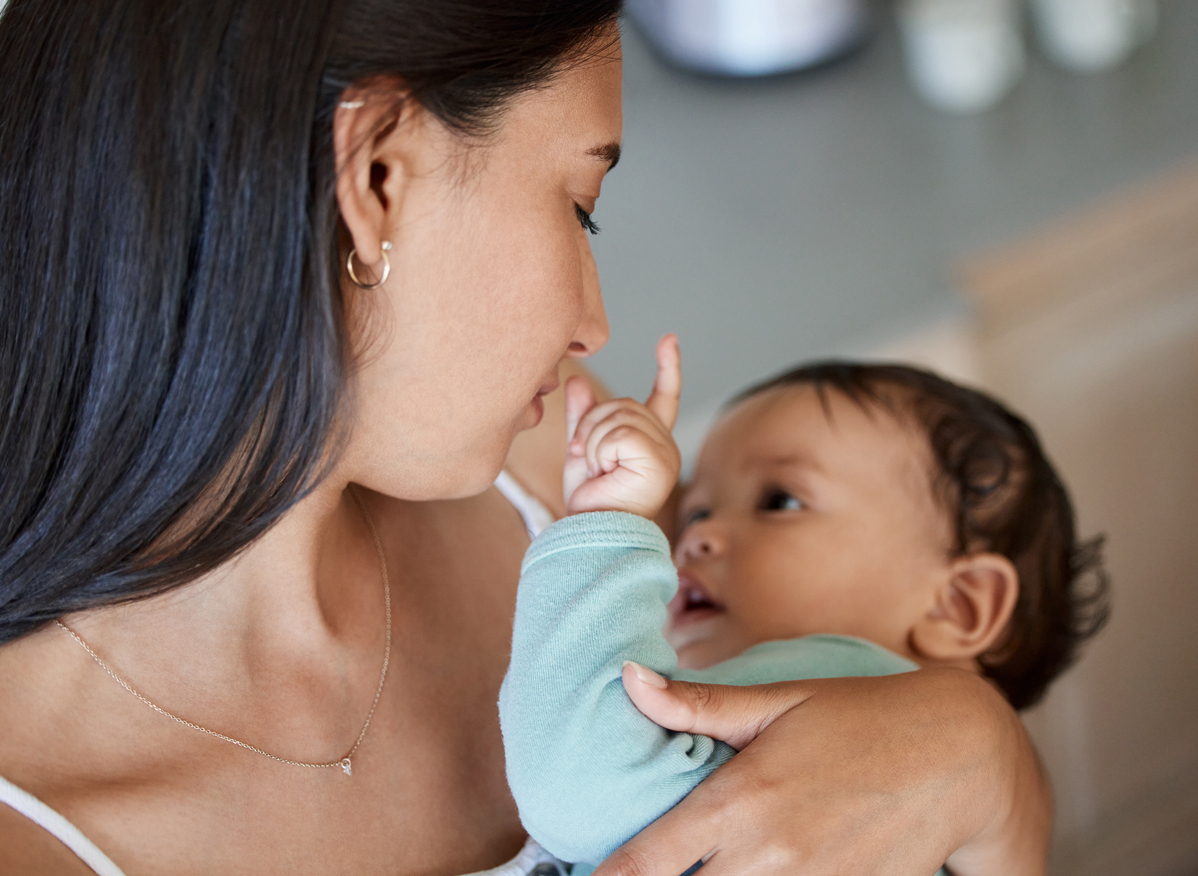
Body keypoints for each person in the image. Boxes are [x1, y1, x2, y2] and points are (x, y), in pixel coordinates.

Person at [0, 2, 1051, 874]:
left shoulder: (552, 474)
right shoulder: (39, 839)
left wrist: (988, 761)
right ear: (374, 180)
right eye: (581, 206)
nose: (593, 322)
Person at [501, 348, 1111, 871]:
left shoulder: (846, 673)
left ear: (958, 604)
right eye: (696, 512)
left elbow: (581, 785)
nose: (694, 540)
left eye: (779, 500)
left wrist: (602, 531)